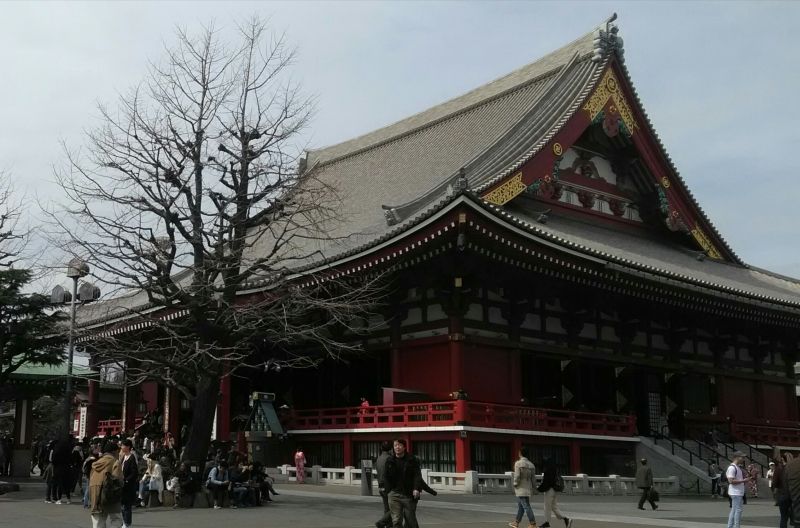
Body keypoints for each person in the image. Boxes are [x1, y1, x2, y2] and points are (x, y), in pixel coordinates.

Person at [385, 438, 423, 528]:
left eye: (399, 445)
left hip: (408, 494)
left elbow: (417, 476)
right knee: (396, 520)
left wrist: (416, 489)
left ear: (404, 447)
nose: (397, 447)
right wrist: (388, 491)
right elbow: (386, 476)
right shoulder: (390, 460)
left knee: (410, 520)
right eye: (395, 445)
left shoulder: (411, 460)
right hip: (394, 494)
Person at [89, 441, 124, 528]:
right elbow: (118, 480)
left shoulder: (97, 463)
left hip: (95, 494)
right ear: (114, 451)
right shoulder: (115, 462)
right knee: (116, 519)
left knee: (98, 521)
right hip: (110, 493)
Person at [536, 458, 572, 528]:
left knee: (547, 507)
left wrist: (538, 489)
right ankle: (566, 519)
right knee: (554, 507)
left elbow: (546, 483)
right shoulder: (555, 470)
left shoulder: (547, 471)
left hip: (549, 491)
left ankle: (547, 523)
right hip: (555, 490)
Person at [509, 446, 537, 528]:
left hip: (520, 487)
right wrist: (535, 488)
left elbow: (517, 476)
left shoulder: (518, 463)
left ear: (520, 453)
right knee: (521, 505)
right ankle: (516, 522)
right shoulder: (531, 465)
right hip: (528, 487)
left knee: (526, 505)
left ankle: (533, 523)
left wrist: (515, 483)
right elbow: (533, 479)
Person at [726, 451, 754, 528]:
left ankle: (730, 526)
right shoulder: (732, 468)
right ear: (737, 457)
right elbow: (731, 481)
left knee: (734, 510)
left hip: (737, 492)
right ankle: (736, 526)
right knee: (738, 510)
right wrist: (743, 481)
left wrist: (745, 480)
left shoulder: (737, 467)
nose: (744, 459)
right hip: (736, 492)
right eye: (742, 457)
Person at [119, 439, 138, 528]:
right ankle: (124, 521)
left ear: (128, 447)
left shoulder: (132, 457)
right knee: (122, 505)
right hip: (122, 484)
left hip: (128, 485)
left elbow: (134, 472)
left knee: (127, 505)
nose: (122, 447)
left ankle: (127, 523)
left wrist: (127, 480)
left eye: (123, 445)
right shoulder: (123, 456)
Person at [375, 440, 394, 528]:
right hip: (389, 486)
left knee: (387, 507)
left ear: (381, 448)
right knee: (396, 506)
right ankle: (382, 522)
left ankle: (389, 525)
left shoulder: (378, 458)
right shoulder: (390, 458)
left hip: (380, 486)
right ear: (391, 449)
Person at [772, 456, 791, 528]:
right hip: (793, 494)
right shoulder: (793, 468)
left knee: (783, 517)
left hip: (782, 493)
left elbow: (775, 483)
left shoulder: (778, 469)